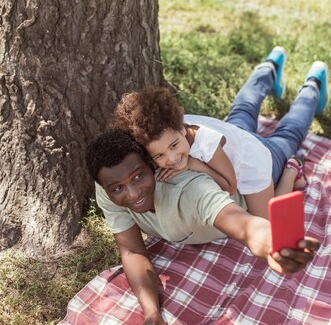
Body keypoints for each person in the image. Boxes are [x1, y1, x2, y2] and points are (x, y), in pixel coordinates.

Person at [85, 54, 328, 325]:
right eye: (118, 188)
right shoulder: (113, 176)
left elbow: (241, 222)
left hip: (252, 157)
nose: (131, 193)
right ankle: (268, 69)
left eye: (137, 177)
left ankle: (312, 85)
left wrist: (273, 244)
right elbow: (132, 251)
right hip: (219, 143)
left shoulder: (188, 187)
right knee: (241, 112)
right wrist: (151, 313)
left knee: (288, 135)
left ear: (147, 165)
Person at [111, 47, 317, 219]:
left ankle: (312, 88)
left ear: (182, 128)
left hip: (256, 159)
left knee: (266, 220)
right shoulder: (162, 128)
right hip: (233, 136)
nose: (172, 159)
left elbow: (229, 186)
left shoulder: (205, 145)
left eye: (174, 146)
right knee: (243, 108)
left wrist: (195, 164)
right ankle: (270, 66)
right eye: (159, 156)